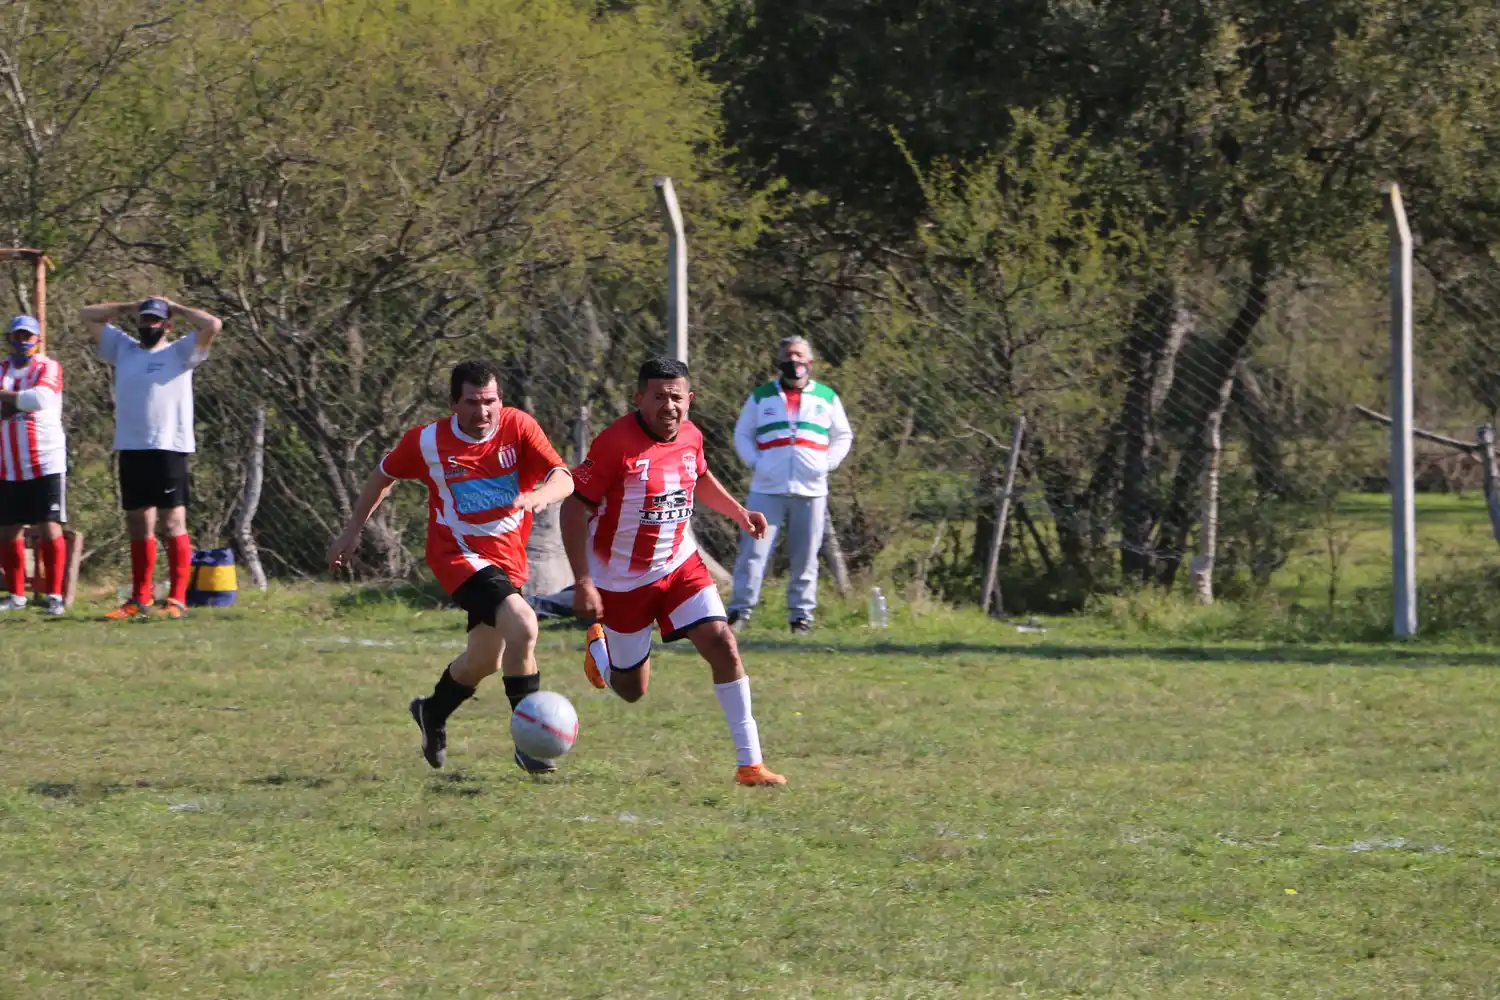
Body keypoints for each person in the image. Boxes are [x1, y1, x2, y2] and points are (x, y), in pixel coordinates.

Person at [327, 359, 574, 774]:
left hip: (507, 561)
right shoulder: (427, 442)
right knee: (524, 624)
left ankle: (432, 711)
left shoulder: (519, 427)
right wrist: (352, 530)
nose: (483, 413)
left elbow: (563, 477)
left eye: (490, 401)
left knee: (484, 659)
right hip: (457, 555)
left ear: (501, 400)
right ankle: (527, 740)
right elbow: (383, 475)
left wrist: (538, 497)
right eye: (472, 403)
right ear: (453, 405)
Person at [560, 356, 787, 787]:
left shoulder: (691, 435)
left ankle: (750, 764)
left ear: (690, 399)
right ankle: (600, 652)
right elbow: (574, 507)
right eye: (659, 397)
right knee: (632, 691)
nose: (669, 407)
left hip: (679, 564)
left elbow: (698, 477)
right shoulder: (614, 444)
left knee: (723, 643)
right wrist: (584, 581)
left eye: (677, 398)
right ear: (639, 398)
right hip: (621, 581)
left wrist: (739, 512)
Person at [79, 296, 223, 619]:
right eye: (145, 320)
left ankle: (176, 599)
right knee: (138, 523)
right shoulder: (124, 348)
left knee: (172, 523)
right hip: (132, 447)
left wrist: (177, 306)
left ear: (168, 325)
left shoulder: (181, 352)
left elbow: (213, 324)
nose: (148, 325)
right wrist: (132, 306)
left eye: (155, 320)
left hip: (169, 447)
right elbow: (87, 314)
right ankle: (139, 599)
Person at [727, 335, 854, 634]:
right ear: (779, 360)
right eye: (788, 355)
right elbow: (742, 433)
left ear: (809, 362)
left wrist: (827, 464)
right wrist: (757, 463)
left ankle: (801, 616)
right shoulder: (761, 396)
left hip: (811, 489)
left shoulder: (826, 396)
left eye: (799, 355)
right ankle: (739, 612)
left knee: (806, 554)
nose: (793, 360)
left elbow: (842, 436)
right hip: (766, 488)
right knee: (754, 552)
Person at [0, 315, 68, 616]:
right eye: (17, 337)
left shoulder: (47, 366)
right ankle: (16, 595)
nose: (22, 342)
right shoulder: (2, 368)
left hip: (45, 460)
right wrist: (18, 399)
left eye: (27, 337)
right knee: (7, 531)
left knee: (49, 527)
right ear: (9, 339)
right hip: (7, 463)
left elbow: (39, 399)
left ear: (37, 339)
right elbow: (25, 400)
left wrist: (7, 399)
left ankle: (55, 595)